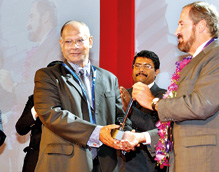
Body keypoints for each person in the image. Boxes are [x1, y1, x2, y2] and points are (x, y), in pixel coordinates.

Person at [129, 1, 219, 171]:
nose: (176, 31)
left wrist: (154, 103)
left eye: (181, 24)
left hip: (210, 162)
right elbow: (180, 125)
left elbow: (201, 104)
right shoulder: (191, 63)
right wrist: (142, 138)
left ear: (201, 26)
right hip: (187, 161)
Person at [33, 20, 135, 172]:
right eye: (68, 41)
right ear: (61, 44)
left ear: (90, 41)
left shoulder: (109, 78)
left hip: (106, 164)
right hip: (64, 164)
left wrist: (124, 137)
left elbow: (120, 118)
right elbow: (52, 115)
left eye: (80, 40)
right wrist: (98, 133)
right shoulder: (47, 76)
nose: (74, 46)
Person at [119, 50, 166, 172]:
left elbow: (160, 130)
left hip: (148, 165)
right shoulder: (122, 94)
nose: (141, 70)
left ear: (156, 72)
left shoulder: (164, 97)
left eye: (147, 66)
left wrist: (130, 111)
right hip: (121, 164)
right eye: (137, 65)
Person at [15, 61, 62, 172]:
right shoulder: (35, 99)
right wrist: (38, 108)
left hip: (63, 159)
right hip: (36, 159)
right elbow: (21, 128)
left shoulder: (73, 100)